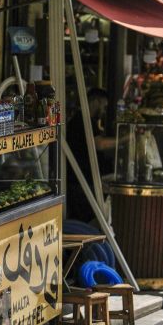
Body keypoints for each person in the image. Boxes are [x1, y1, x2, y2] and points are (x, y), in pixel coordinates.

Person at [65, 88, 114, 224]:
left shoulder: (86, 120)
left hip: (84, 181)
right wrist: (125, 140)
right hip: (80, 183)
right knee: (87, 222)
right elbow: (99, 144)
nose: (104, 111)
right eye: (104, 106)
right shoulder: (82, 121)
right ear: (96, 101)